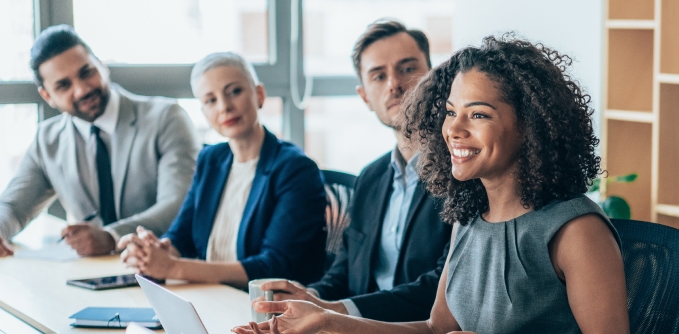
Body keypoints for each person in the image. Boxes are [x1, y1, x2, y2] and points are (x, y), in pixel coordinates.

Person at [234, 35, 630, 334]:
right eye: (450, 112)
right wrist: (328, 321)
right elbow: (433, 329)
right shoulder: (470, 215)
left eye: (477, 115)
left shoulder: (577, 231)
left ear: (531, 126)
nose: (453, 130)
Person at [257, 19, 453, 322]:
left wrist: (338, 311)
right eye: (378, 76)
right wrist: (313, 296)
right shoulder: (371, 178)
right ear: (364, 97)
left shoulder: (461, 171)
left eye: (407, 68)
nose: (394, 84)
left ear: (432, 76)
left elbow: (443, 287)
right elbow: (347, 267)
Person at [0, 24, 198, 257]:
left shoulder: (166, 118)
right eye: (63, 85)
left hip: (169, 269)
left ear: (102, 65)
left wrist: (111, 237)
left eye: (86, 72)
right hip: (91, 274)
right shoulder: (48, 141)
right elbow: (12, 207)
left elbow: (178, 204)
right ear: (47, 96)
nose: (81, 90)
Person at [116, 52, 328, 288]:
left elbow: (274, 266)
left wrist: (173, 267)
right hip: (211, 295)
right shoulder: (210, 159)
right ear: (204, 113)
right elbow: (182, 235)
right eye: (211, 100)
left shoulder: (295, 169)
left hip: (268, 309)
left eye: (234, 92)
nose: (225, 107)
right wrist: (154, 252)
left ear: (259, 94)